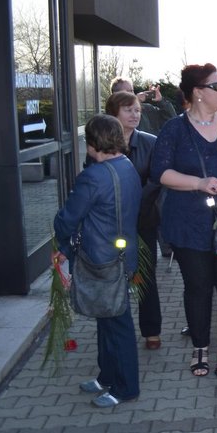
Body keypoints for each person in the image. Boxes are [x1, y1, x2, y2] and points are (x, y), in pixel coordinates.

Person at [151, 63, 217, 377]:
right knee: (197, 287)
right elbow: (161, 172)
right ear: (197, 92)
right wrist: (198, 183)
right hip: (188, 223)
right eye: (215, 87)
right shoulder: (174, 129)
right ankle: (200, 347)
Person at [54, 115, 141, 407]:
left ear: (92, 143)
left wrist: (63, 243)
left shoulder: (94, 175)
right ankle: (107, 377)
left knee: (117, 324)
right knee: (108, 319)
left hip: (103, 261)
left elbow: (68, 218)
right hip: (122, 255)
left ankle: (125, 387)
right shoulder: (126, 166)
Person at [103, 91, 162, 350]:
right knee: (115, 277)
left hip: (143, 219)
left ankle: (152, 331)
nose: (135, 115)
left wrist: (135, 202)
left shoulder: (151, 142)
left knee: (145, 275)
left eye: (137, 110)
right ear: (113, 113)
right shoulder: (102, 142)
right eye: (128, 110)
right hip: (111, 223)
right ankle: (118, 329)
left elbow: (157, 180)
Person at [110, 77, 177, 135]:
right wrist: (135, 101)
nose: (132, 94)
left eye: (132, 91)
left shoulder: (146, 109)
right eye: (128, 91)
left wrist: (161, 101)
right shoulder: (111, 114)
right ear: (116, 94)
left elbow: (171, 120)